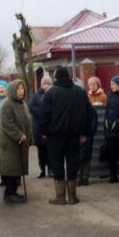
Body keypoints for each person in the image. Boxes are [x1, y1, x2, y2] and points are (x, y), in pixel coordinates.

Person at [39, 66, 93, 205]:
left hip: (55, 136)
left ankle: (60, 197)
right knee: (73, 163)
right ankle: (72, 197)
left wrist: (45, 132)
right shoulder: (80, 92)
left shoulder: (50, 93)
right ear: (68, 76)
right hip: (74, 136)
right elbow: (88, 114)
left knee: (57, 163)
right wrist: (84, 133)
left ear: (56, 77)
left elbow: (43, 115)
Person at [0, 79, 32, 204]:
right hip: (9, 142)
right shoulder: (7, 104)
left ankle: (13, 191)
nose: (21, 91)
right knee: (11, 168)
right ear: (12, 90)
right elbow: (7, 123)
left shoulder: (22, 103)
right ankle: (9, 194)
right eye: (18, 89)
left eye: (22, 88)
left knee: (17, 167)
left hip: (20, 141)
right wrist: (19, 135)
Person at [77, 76, 105, 186]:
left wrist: (86, 134)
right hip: (85, 136)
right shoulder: (88, 107)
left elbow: (93, 121)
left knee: (84, 157)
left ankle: (83, 178)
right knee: (83, 157)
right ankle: (82, 178)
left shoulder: (87, 108)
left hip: (85, 136)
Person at [103, 76, 119, 183]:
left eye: (113, 84)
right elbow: (107, 110)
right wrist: (105, 123)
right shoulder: (109, 95)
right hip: (109, 130)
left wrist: (118, 123)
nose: (111, 86)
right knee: (111, 155)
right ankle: (113, 176)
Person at [29, 75, 52, 178]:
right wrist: (42, 113)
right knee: (41, 151)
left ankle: (51, 169)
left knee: (50, 151)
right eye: (44, 84)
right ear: (41, 85)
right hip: (38, 128)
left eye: (48, 84)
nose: (46, 86)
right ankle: (42, 169)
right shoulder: (36, 95)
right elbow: (31, 107)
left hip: (50, 127)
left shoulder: (53, 94)